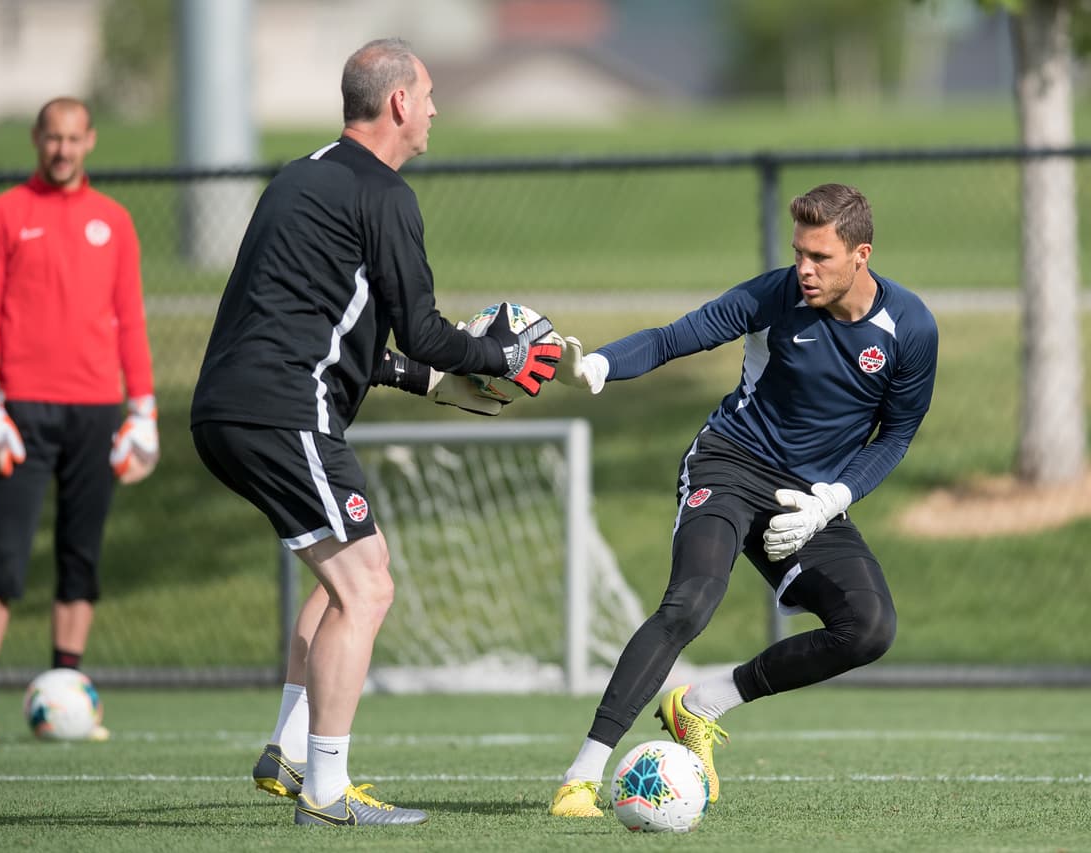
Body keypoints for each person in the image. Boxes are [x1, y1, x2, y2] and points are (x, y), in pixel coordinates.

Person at [190, 38, 561, 827]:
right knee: (368, 586)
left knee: (349, 573)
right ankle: (326, 791)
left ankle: (291, 749)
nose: (434, 109)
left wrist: (430, 381)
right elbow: (422, 330)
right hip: (283, 412)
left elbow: (328, 327)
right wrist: (502, 356)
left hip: (232, 408)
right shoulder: (386, 195)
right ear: (397, 102)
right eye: (426, 95)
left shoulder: (297, 177)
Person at [548, 183, 938, 817]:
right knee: (690, 603)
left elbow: (895, 435)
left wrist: (829, 502)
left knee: (868, 629)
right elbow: (674, 338)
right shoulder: (773, 296)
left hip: (811, 499)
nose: (804, 269)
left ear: (861, 255)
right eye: (799, 253)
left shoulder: (910, 328)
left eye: (821, 257)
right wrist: (597, 367)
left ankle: (702, 704)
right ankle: (582, 776)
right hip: (729, 465)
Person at [0, 97, 159, 745]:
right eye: (53, 137)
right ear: (36, 139)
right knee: (5, 558)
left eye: (74, 138)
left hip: (97, 410)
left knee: (81, 559)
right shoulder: (1, 216)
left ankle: (67, 696)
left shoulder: (115, 221)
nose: (63, 149)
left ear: (90, 140)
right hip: (20, 413)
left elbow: (130, 318)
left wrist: (143, 410)